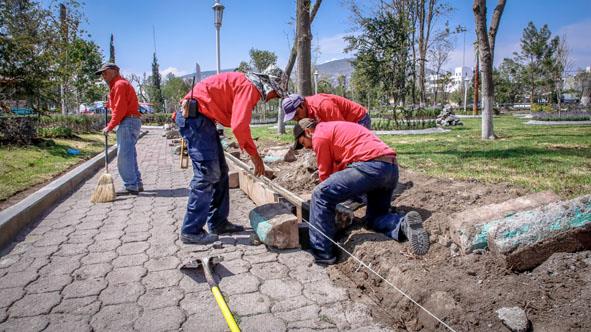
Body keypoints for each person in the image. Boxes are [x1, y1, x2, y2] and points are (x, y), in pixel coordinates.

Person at [293, 118, 429, 264]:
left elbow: (325, 178)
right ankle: (403, 225)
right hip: (390, 168)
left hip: (370, 167)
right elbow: (342, 172)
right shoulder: (336, 128)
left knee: (320, 195)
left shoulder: (319, 135)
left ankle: (322, 254)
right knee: (374, 218)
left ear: (308, 132)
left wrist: (329, 208)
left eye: (303, 143)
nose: (306, 148)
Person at [176, 65, 286, 244]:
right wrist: (255, 156)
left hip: (202, 120)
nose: (274, 98)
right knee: (207, 174)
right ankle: (191, 230)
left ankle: (218, 223)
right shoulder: (249, 87)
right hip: (195, 119)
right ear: (270, 86)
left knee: (220, 170)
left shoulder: (246, 84)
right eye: (277, 94)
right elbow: (239, 125)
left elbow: (233, 118)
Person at [95, 63, 143, 195]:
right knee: (129, 155)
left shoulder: (119, 85)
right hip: (131, 121)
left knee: (124, 156)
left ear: (115, 71)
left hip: (128, 121)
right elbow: (121, 103)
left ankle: (131, 185)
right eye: (102, 74)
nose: (103, 76)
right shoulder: (119, 85)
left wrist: (109, 126)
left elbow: (121, 109)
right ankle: (136, 183)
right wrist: (109, 103)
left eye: (105, 72)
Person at [282, 93, 371, 129]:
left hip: (358, 119)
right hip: (346, 122)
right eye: (293, 118)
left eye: (296, 114)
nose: (297, 119)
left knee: (358, 152)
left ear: (302, 104)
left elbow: (341, 129)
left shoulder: (322, 106)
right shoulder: (308, 112)